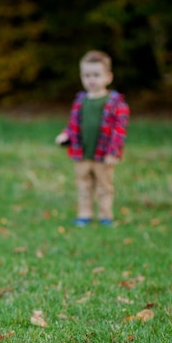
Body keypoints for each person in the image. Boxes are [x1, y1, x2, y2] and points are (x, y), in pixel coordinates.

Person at [55, 50, 130, 226]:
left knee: (104, 187)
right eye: (87, 75)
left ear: (108, 77)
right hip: (81, 154)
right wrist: (65, 135)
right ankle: (84, 214)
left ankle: (105, 216)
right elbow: (73, 124)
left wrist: (113, 152)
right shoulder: (80, 101)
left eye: (96, 75)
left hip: (103, 155)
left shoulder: (115, 103)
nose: (91, 79)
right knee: (84, 186)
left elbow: (119, 130)